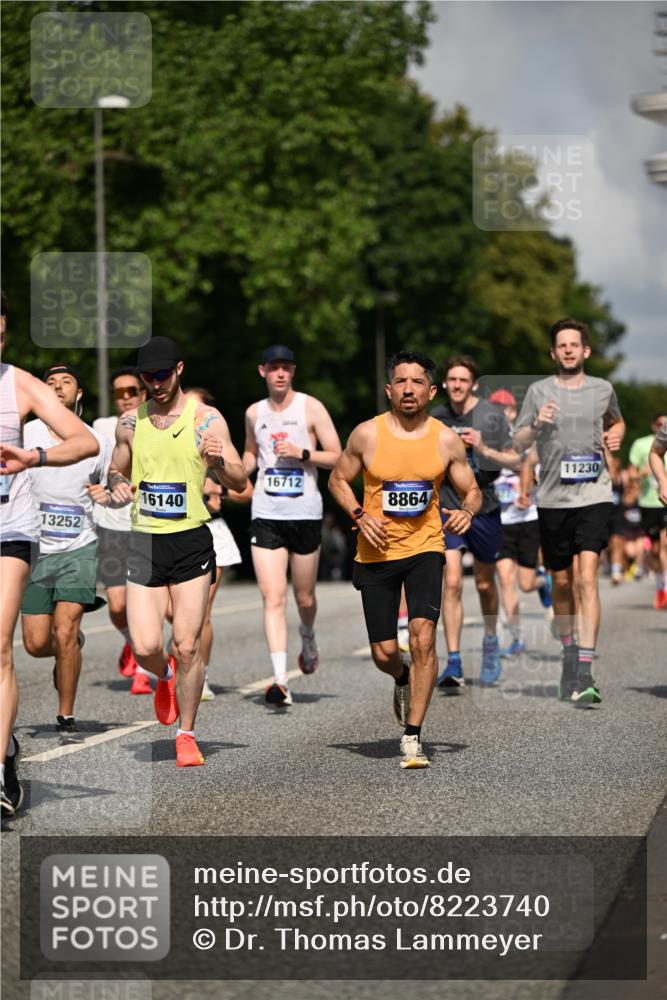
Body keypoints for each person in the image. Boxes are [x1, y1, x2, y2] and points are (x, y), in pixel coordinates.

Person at [329, 350, 482, 769]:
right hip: (375, 551)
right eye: (401, 381)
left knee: (423, 637)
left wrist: (467, 510)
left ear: (431, 391)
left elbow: (472, 490)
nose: (408, 388)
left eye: (417, 382)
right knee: (383, 652)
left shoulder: (445, 439)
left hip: (426, 549)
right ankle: (401, 676)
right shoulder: (367, 434)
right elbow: (337, 478)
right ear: (389, 389)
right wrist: (359, 513)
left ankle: (413, 736)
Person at [98, 336, 247, 766]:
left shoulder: (208, 420)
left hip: (190, 540)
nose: (155, 383)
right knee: (146, 645)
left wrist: (218, 461)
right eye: (148, 377)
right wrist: (116, 483)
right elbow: (116, 467)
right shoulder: (129, 423)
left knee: (186, 644)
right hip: (144, 541)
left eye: (162, 375)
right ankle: (163, 677)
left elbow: (239, 483)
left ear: (179, 369)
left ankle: (187, 733)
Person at [0, 290, 99, 815]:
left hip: (28, 534)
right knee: (33, 643)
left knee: (6, 645)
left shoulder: (21, 388)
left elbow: (90, 447)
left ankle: (3, 763)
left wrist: (31, 456)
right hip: (33, 537)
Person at [513, 317, 625, 706]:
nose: (568, 350)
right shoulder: (539, 391)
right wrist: (536, 424)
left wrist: (617, 435)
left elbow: (617, 421)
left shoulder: (603, 389)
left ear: (586, 350)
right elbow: (518, 440)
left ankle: (586, 669)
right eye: (561, 345)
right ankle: (567, 650)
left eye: (574, 344)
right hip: (552, 500)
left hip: (594, 495)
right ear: (553, 352)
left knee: (587, 577)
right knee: (560, 583)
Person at [243, 345, 342, 708]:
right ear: (262, 371)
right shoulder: (254, 412)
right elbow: (251, 454)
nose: (280, 374)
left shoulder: (311, 407)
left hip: (304, 513)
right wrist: (234, 470)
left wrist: (302, 453)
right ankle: (280, 680)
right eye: (274, 368)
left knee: (304, 597)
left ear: (293, 372)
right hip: (267, 512)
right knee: (273, 597)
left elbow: (338, 456)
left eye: (286, 368)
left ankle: (308, 634)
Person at [20, 364, 111, 732]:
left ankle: (65, 714)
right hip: (34, 547)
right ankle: (66, 649)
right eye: (50, 383)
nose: (57, 388)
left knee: (67, 629)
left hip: (79, 546)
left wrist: (111, 495)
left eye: (66, 382)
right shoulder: (25, 433)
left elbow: (113, 486)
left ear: (79, 395)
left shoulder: (96, 441)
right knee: (36, 643)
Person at [431, 357, 520, 690]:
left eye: (463, 380)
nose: (457, 385)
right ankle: (453, 660)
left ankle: (491, 640)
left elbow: (515, 458)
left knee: (484, 583)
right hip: (447, 506)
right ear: (444, 383)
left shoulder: (491, 416)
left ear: (474, 384)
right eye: (451, 379)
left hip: (484, 505)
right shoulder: (435, 417)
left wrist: (482, 447)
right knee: (452, 581)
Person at [185, 387, 253, 700]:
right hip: (174, 532)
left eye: (197, 406)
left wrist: (217, 489)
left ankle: (202, 674)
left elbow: (246, 491)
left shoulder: (215, 443)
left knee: (202, 611)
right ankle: (181, 664)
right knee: (176, 613)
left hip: (212, 531)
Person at [90, 367, 149, 693]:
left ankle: (142, 667)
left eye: (131, 391)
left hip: (144, 526)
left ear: (143, 394)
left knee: (141, 602)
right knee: (116, 606)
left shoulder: (156, 424)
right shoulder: (100, 427)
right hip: (110, 526)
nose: (125, 397)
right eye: (119, 392)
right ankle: (131, 641)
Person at [488, 389, 552, 657]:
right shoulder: (485, 441)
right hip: (500, 521)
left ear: (514, 412)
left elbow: (536, 472)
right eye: (497, 410)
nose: (503, 414)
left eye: (507, 409)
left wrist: (527, 488)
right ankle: (516, 638)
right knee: (504, 578)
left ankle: (542, 581)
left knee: (525, 583)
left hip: (527, 519)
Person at [629, 415, 667, 609]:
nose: (662, 427)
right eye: (659, 424)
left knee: (666, 543)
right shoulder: (641, 444)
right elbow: (631, 473)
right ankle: (661, 582)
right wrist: (648, 474)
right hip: (650, 502)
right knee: (654, 549)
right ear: (654, 426)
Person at [648, 416, 667, 607]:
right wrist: (663, 482)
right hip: (648, 503)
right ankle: (663, 584)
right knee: (658, 547)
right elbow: (655, 453)